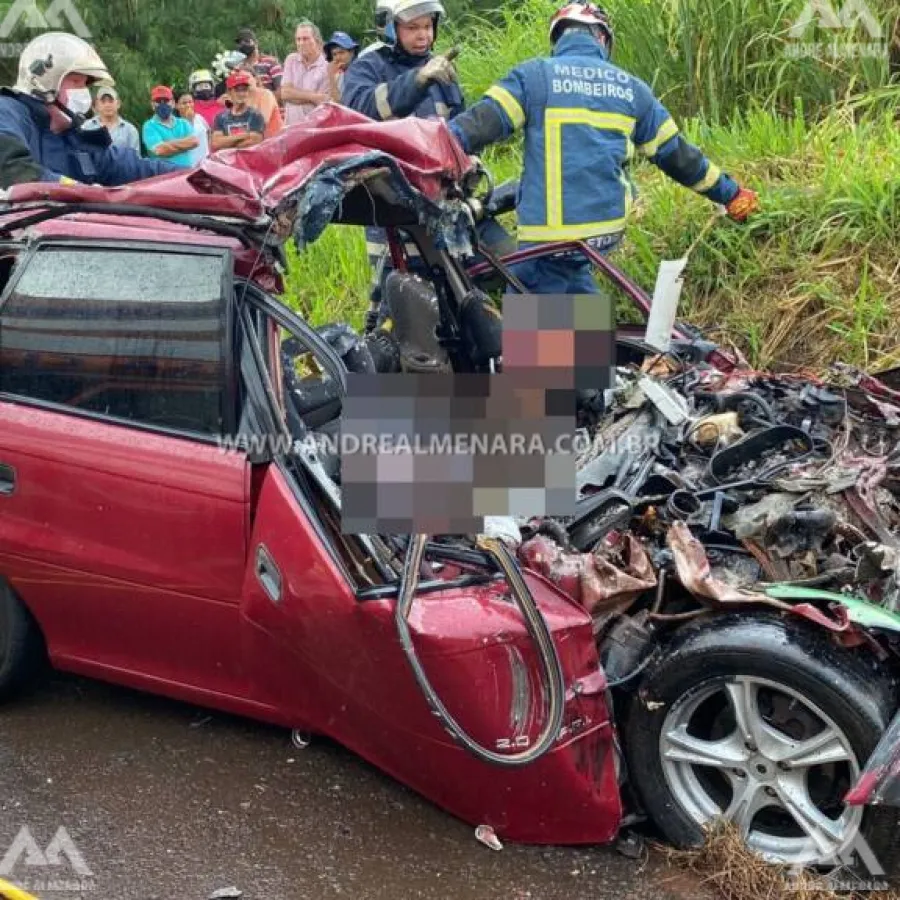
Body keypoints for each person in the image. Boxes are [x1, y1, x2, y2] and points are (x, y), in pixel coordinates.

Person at [448, 3, 760, 294]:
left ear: (558, 39)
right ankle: (594, 347)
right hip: (602, 237)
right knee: (571, 299)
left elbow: (478, 125)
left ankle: (562, 351)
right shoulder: (631, 88)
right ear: (602, 38)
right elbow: (678, 156)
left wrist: (424, 149)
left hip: (548, 241)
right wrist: (730, 193)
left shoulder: (534, 77)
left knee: (533, 335)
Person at [342, 0, 466, 327]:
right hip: (389, 207)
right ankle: (381, 367)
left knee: (452, 293)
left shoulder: (441, 69)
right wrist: (418, 80)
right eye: (412, 28)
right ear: (389, 27)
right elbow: (361, 110)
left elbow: (459, 126)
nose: (423, 35)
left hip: (440, 202)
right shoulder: (368, 66)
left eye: (427, 26)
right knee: (397, 298)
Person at [0, 32, 180, 188]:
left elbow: (133, 167)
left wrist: (192, 175)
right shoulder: (7, 112)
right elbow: (12, 168)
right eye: (76, 82)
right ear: (45, 82)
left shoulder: (77, 141)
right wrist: (81, 192)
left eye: (85, 84)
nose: (84, 92)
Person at [280, 20, 330, 126]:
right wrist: (313, 97)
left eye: (305, 39)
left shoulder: (326, 67)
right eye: (298, 39)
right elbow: (285, 94)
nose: (301, 43)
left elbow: (323, 103)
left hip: (314, 130)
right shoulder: (291, 60)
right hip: (290, 128)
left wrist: (295, 94)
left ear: (317, 41)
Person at [142, 85, 198, 167]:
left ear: (173, 103)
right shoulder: (149, 126)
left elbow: (194, 142)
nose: (162, 104)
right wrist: (185, 145)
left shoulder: (183, 123)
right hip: (163, 177)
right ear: (152, 105)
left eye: (166, 100)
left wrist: (167, 145)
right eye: (158, 101)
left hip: (186, 173)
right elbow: (160, 150)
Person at [210, 70, 265, 152]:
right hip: (227, 163)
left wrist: (227, 142)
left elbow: (255, 141)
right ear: (229, 92)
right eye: (237, 90)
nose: (242, 94)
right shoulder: (220, 117)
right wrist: (245, 135)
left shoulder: (255, 115)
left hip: (249, 162)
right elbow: (216, 143)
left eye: (244, 90)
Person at [86, 85, 140, 153]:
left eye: (111, 101)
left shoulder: (130, 130)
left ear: (118, 104)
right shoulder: (87, 127)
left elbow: (135, 159)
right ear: (97, 105)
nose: (107, 105)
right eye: (103, 102)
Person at [237, 65, 283, 138]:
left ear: (255, 79)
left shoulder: (266, 94)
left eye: (247, 78)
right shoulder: (241, 100)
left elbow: (262, 122)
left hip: (274, 140)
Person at [235, 27, 283, 96]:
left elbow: (281, 93)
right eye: (239, 43)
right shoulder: (239, 67)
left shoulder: (271, 62)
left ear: (256, 43)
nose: (243, 45)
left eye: (246, 41)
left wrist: (254, 75)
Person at [323, 31, 360, 102]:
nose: (338, 58)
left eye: (341, 52)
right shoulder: (339, 75)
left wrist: (331, 77)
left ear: (352, 52)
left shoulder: (358, 73)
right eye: (334, 54)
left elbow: (341, 105)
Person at [176, 91, 209, 164]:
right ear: (177, 106)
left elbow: (208, 132)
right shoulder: (176, 123)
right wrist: (189, 121)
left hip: (206, 161)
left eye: (190, 102)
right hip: (190, 164)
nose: (188, 105)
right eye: (184, 103)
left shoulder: (199, 117)